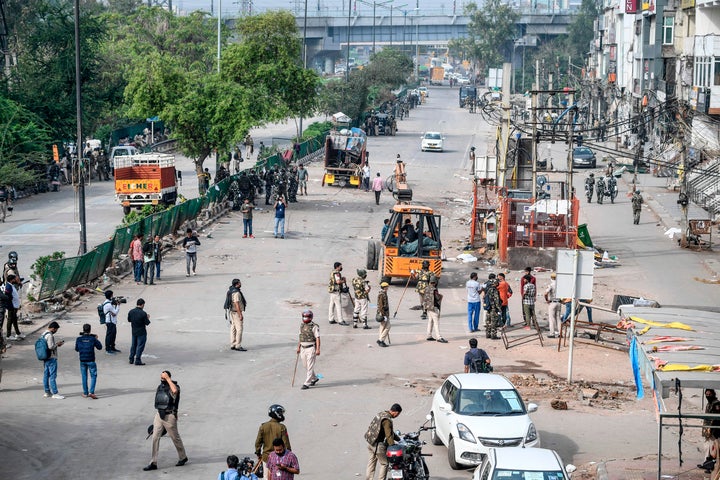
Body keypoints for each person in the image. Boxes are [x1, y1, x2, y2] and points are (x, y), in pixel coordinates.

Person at [144, 370, 188, 471]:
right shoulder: (160, 387)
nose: (162, 378)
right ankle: (153, 462)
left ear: (168, 377)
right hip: (159, 414)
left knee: (175, 438)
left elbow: (175, 391)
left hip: (169, 416)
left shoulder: (174, 387)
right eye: (161, 377)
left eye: (164, 377)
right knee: (155, 437)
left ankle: (183, 457)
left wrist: (168, 379)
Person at [365, 403, 402, 480]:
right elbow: (388, 435)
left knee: (371, 462)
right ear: (395, 412)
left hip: (370, 442)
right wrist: (393, 445)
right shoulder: (387, 420)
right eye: (398, 414)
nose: (397, 416)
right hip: (378, 445)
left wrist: (399, 439)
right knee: (384, 463)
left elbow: (390, 433)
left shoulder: (381, 414)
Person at [75, 323, 102, 399]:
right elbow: (100, 347)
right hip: (91, 360)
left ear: (83, 330)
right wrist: (96, 339)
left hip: (82, 360)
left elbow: (76, 349)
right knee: (93, 376)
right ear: (90, 330)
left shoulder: (79, 339)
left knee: (84, 376)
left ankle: (85, 393)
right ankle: (91, 392)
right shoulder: (92, 339)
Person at [297, 310, 320, 390]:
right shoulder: (302, 326)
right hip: (303, 348)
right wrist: (298, 347)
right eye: (304, 316)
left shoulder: (314, 326)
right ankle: (314, 378)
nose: (305, 318)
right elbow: (300, 337)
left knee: (310, 366)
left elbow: (317, 338)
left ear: (310, 317)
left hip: (311, 348)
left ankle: (307, 383)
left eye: (306, 317)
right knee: (305, 365)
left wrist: (318, 349)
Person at [41, 321, 65, 399]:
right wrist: (58, 344)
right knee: (52, 376)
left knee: (46, 375)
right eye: (56, 329)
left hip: (45, 357)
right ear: (53, 328)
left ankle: (47, 392)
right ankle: (55, 393)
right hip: (51, 358)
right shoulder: (50, 336)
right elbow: (51, 347)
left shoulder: (43, 334)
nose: (56, 331)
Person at [423, 275, 447, 343]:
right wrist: (441, 296)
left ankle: (429, 335)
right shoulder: (434, 289)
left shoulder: (426, 288)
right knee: (436, 323)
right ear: (435, 282)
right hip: (434, 308)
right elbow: (437, 298)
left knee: (430, 321)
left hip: (428, 307)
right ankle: (439, 337)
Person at [226, 278, 247, 352]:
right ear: (237, 284)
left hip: (232, 312)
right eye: (239, 283)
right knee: (239, 329)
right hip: (236, 312)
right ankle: (238, 345)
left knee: (233, 328)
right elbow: (236, 304)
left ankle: (233, 344)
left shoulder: (231, 290)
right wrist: (240, 314)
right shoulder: (236, 293)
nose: (241, 284)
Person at [128, 298, 151, 365]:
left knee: (133, 345)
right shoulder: (143, 313)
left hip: (134, 331)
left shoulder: (131, 311)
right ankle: (137, 360)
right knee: (140, 346)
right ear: (142, 305)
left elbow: (129, 320)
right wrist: (147, 318)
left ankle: (131, 358)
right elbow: (147, 323)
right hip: (141, 332)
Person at [102, 290, 121, 354]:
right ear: (111, 295)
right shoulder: (108, 305)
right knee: (109, 335)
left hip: (112, 321)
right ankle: (108, 349)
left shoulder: (108, 302)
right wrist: (118, 305)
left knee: (113, 334)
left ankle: (112, 347)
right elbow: (115, 312)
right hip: (110, 321)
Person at [484, 274, 502, 340]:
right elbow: (496, 301)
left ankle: (488, 334)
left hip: (488, 308)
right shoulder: (494, 291)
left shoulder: (488, 290)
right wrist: (499, 309)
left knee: (488, 321)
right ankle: (493, 335)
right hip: (493, 308)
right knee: (494, 322)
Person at [4, 274, 21, 340]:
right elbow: (7, 297)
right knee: (10, 320)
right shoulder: (8, 286)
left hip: (14, 306)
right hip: (11, 307)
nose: (15, 280)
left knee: (14, 320)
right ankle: (8, 335)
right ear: (11, 280)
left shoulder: (11, 285)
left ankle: (18, 333)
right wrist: (10, 306)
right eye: (14, 279)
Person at [545, 272, 561, 338]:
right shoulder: (559, 285)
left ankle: (552, 333)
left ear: (551, 278)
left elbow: (545, 293)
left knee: (552, 318)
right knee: (558, 318)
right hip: (559, 302)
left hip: (553, 302)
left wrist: (547, 300)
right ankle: (560, 333)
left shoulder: (551, 285)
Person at [376, 282, 391, 347]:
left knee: (382, 327)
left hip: (384, 313)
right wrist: (383, 315)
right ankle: (381, 340)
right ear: (385, 287)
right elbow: (381, 305)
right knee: (388, 326)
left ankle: (381, 340)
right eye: (387, 286)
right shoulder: (382, 294)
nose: (388, 287)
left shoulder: (384, 293)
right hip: (383, 313)